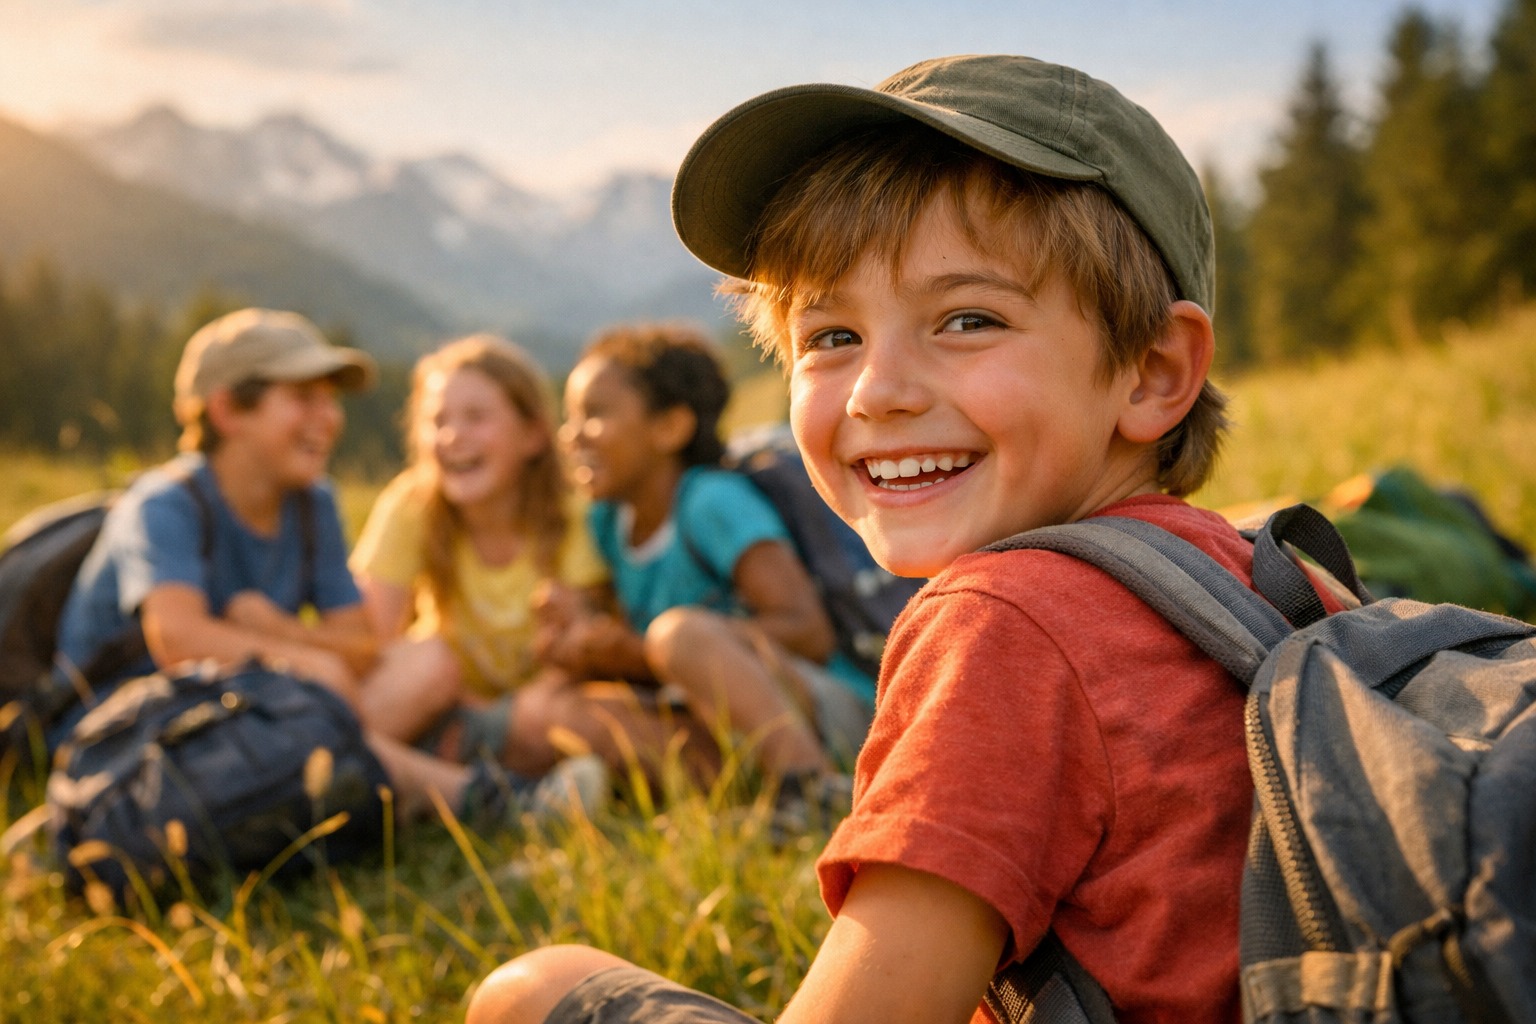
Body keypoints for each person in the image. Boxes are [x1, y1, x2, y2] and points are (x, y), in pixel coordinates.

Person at [466, 54, 1348, 1024]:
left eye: (967, 319)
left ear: (1151, 370)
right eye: (831, 337)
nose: (880, 390)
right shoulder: (1267, 568)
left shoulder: (1004, 621)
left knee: (531, 990)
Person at [53, 308, 603, 828]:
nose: (330, 418)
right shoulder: (164, 505)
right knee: (322, 700)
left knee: (429, 661)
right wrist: (312, 666)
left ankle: (336, 785)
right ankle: (484, 799)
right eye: (304, 398)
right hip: (136, 741)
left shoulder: (311, 505)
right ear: (227, 412)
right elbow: (177, 637)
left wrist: (278, 633)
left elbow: (361, 647)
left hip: (251, 709)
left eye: (331, 400)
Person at [542, 322, 875, 800]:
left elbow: (807, 631)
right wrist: (580, 639)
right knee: (567, 704)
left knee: (680, 636)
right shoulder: (606, 521)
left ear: (670, 427)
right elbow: (626, 632)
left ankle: (813, 786)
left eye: (595, 414)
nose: (572, 435)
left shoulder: (711, 503)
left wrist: (645, 653)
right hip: (719, 714)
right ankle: (753, 789)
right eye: (569, 416)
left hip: (822, 707)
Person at [350, 334, 616, 777]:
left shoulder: (572, 518)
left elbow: (584, 652)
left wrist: (507, 714)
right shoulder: (410, 506)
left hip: (535, 713)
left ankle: (426, 775)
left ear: (532, 435)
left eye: (476, 417)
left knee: (554, 712)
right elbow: (372, 641)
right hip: (442, 704)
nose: (453, 436)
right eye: (437, 420)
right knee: (423, 664)